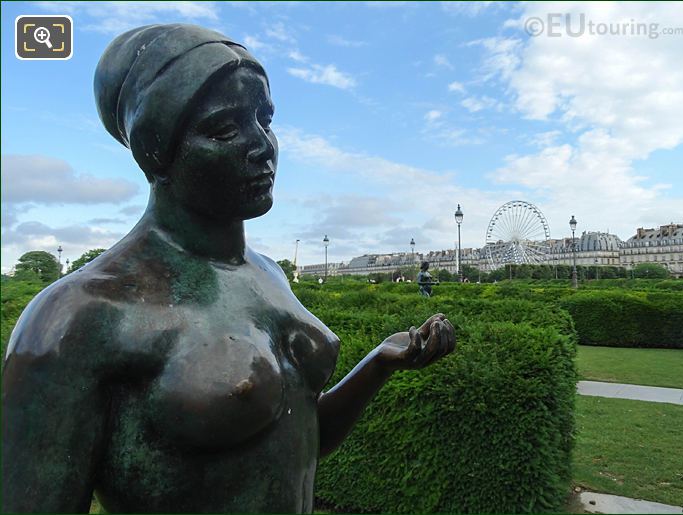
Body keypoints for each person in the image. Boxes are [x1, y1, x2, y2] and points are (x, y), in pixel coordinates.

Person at [1, 24, 455, 514]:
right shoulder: (79, 316)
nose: (263, 146)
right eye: (224, 129)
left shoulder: (268, 275)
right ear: (156, 151)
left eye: (264, 119)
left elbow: (294, 440)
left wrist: (380, 364)